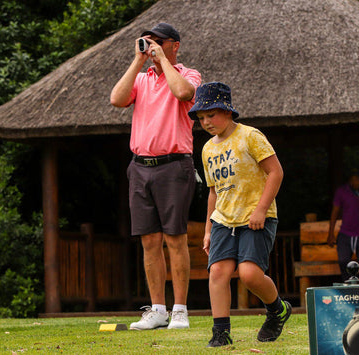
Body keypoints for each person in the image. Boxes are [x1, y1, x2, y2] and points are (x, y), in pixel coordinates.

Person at [110, 23, 202, 330]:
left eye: (158, 42)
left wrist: (163, 61)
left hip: (174, 165)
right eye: (149, 42)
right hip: (140, 166)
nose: (152, 47)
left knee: (175, 238)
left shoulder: (189, 74)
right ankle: (158, 309)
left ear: (174, 45)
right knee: (149, 241)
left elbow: (184, 93)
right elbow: (117, 99)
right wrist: (138, 60)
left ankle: (180, 310)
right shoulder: (141, 78)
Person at [188, 82, 292, 347]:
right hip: (223, 219)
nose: (206, 122)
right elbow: (213, 192)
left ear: (227, 110)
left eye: (211, 114)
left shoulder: (250, 136)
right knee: (218, 272)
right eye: (201, 118)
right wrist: (208, 230)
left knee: (249, 274)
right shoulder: (208, 148)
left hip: (255, 217)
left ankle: (277, 310)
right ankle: (221, 333)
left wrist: (260, 210)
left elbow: (276, 173)